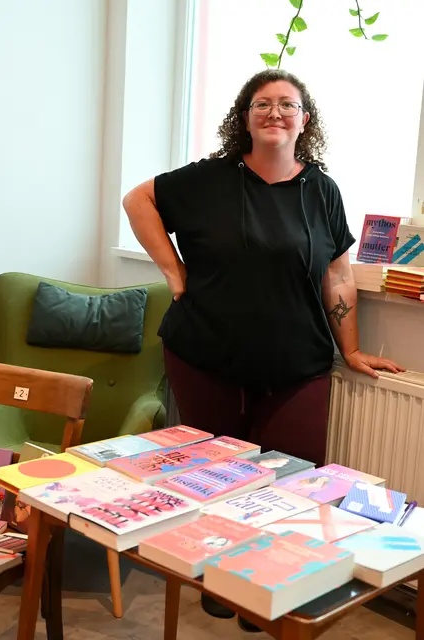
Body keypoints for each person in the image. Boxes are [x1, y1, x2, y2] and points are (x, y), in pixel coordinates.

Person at [123, 69, 404, 630]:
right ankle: (216, 580)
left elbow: (338, 275)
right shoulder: (208, 179)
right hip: (206, 355)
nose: (275, 112)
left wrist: (350, 351)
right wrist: (175, 274)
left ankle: (267, 587)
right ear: (245, 118)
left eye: (287, 104)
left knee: (293, 482)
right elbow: (138, 200)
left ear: (305, 120)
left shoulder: (322, 190)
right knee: (213, 475)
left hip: (297, 364)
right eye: (262, 104)